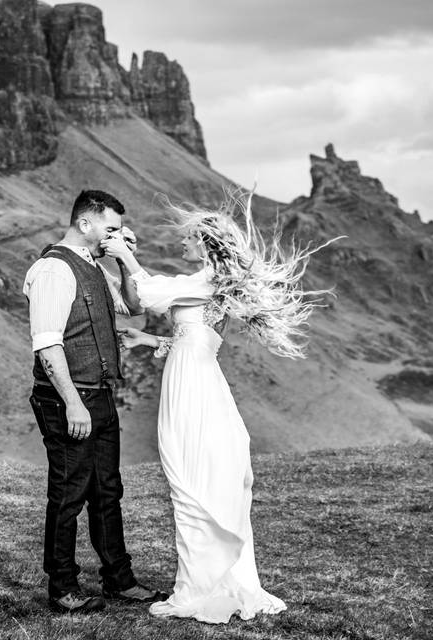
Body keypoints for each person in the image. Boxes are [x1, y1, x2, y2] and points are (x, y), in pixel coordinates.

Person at [101, 191, 341, 624]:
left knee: (191, 475)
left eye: (189, 239)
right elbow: (194, 334)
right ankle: (203, 577)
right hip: (191, 376)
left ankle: (199, 588)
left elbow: (154, 295)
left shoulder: (210, 279)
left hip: (194, 385)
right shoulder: (208, 282)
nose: (182, 244)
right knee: (191, 472)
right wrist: (150, 340)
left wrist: (125, 258)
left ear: (207, 244)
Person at [23, 189, 165, 614]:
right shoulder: (53, 269)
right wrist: (72, 402)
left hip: (98, 394)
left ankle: (119, 580)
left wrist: (122, 258)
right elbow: (46, 345)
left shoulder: (95, 267)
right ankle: (62, 588)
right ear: (85, 224)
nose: (116, 235)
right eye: (111, 229)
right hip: (68, 398)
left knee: (107, 490)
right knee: (68, 493)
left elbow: (134, 308)